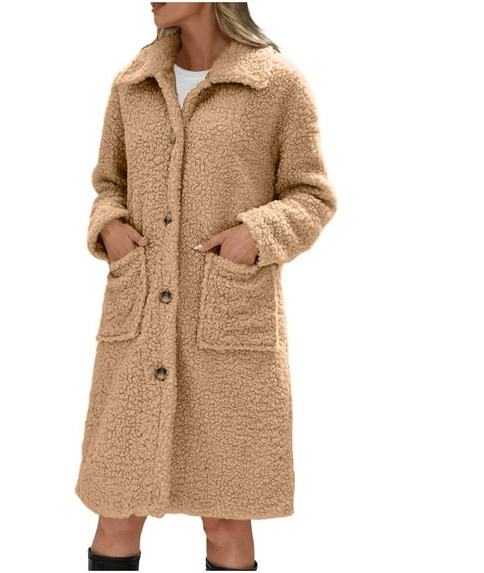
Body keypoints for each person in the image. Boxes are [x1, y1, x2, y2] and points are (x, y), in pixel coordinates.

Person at [75, 2, 337, 570]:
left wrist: (256, 233)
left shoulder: (276, 83)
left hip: (226, 333)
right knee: (116, 508)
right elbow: (108, 182)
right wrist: (110, 226)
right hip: (139, 327)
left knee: (225, 517)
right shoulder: (133, 83)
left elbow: (311, 195)